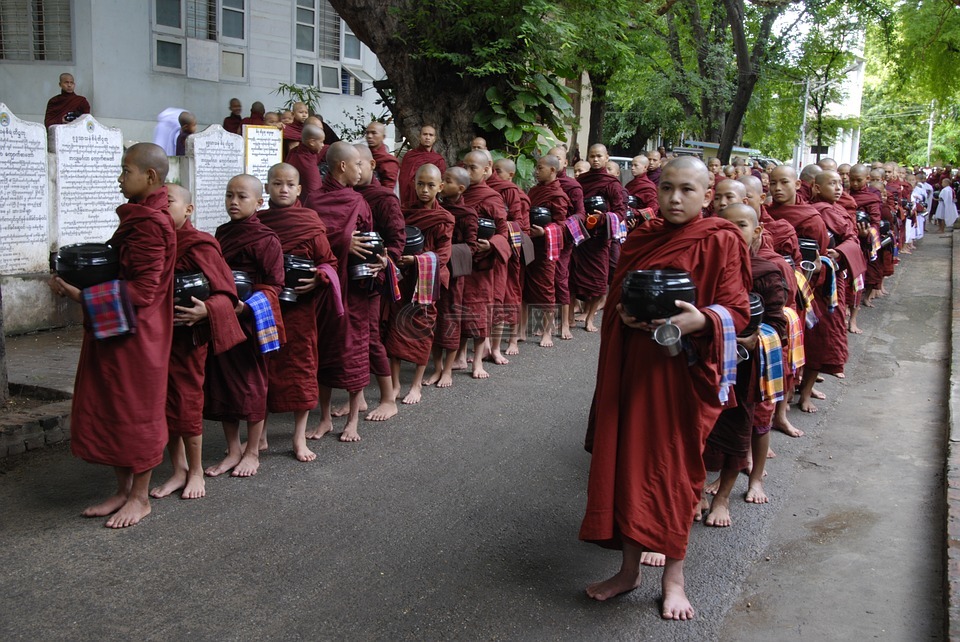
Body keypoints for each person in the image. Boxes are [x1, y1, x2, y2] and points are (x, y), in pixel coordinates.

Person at [580, 156, 750, 619]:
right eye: (668, 188)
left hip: (681, 376)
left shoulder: (721, 240)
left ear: (707, 194)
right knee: (629, 466)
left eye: (687, 190)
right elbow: (617, 299)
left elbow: (735, 311)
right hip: (635, 368)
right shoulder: (642, 237)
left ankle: (674, 580)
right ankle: (629, 571)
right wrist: (624, 317)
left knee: (676, 473)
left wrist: (703, 319)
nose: (675, 198)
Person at [50, 142, 175, 528]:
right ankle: (122, 491)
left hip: (138, 335)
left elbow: (143, 291)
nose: (120, 178)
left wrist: (79, 293)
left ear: (149, 176)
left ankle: (140, 498)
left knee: (136, 411)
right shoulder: (140, 216)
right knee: (113, 408)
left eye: (125, 171)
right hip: (116, 328)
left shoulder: (152, 224)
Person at [151, 185, 244, 500]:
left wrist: (207, 309)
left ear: (188, 210)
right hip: (156, 338)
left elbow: (226, 292)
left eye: (170, 203)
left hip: (189, 339)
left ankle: (195, 471)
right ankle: (177, 470)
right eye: (158, 204)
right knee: (164, 404)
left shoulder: (199, 244)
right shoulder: (150, 242)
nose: (162, 208)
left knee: (187, 404)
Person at [704, 203, 787, 524]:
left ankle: (723, 497)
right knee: (698, 433)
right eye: (725, 226)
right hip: (705, 363)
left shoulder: (765, 273)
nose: (732, 233)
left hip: (744, 367)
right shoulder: (704, 267)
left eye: (741, 225)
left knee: (738, 433)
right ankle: (696, 492)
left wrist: (753, 339)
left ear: (757, 232)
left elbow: (778, 326)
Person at [203, 175, 284, 478]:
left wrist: (244, 306)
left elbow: (275, 284)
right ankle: (233, 449)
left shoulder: (266, 239)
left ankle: (252, 451)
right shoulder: (222, 233)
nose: (233, 202)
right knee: (222, 381)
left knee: (252, 384)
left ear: (259, 202)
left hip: (251, 318)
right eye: (229, 196)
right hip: (223, 314)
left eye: (241, 197)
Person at [258, 163, 337, 461]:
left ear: (300, 189)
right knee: (264, 370)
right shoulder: (258, 222)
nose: (284, 189)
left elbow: (329, 261)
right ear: (267, 188)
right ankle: (261, 435)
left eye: (290, 184)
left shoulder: (309, 223)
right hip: (267, 309)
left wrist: (320, 276)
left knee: (302, 370)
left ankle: (298, 436)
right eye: (277, 184)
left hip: (301, 311)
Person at [305, 142, 380, 442]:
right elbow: (311, 238)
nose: (363, 170)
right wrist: (344, 241)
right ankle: (324, 418)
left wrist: (381, 259)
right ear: (343, 167)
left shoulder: (359, 202)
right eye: (358, 165)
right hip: (326, 287)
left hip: (354, 288)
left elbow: (370, 240)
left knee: (354, 351)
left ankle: (352, 420)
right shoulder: (314, 200)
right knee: (324, 351)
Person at [384, 164, 454, 403]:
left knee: (423, 330)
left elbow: (443, 255)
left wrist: (417, 260)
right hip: (403, 280)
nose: (425, 190)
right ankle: (394, 385)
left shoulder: (444, 218)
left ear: (440, 187)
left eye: (431, 185)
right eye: (421, 184)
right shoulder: (403, 212)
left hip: (426, 280)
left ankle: (415, 385)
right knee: (394, 327)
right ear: (414, 185)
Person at [352, 143, 404, 422]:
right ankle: (357, 398)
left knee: (371, 336)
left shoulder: (384, 198)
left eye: (360, 163)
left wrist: (386, 260)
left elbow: (398, 239)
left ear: (372, 166)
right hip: (346, 276)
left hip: (372, 275)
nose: (354, 168)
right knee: (350, 337)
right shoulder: (344, 196)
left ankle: (387, 398)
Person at [457, 150, 511, 379]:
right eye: (465, 167)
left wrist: (490, 245)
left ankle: (478, 361)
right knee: (459, 309)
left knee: (480, 313)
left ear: (485, 170)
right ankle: (460, 356)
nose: (468, 173)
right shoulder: (458, 194)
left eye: (473, 168)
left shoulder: (491, 197)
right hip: (461, 260)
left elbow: (503, 231)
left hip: (483, 265)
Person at [424, 167, 479, 388]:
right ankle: (436, 367)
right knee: (435, 320)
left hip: (455, 275)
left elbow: (472, 247)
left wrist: (445, 250)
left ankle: (448, 369)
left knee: (452, 320)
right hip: (434, 271)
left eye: (447, 181)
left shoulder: (468, 214)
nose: (442, 184)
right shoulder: (436, 210)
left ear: (461, 188)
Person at [573, 144, 624, 333]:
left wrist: (602, 218)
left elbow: (620, 212)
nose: (595, 159)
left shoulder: (611, 184)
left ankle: (590, 318)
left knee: (599, 280)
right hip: (581, 236)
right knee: (574, 277)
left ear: (606, 158)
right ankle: (571, 316)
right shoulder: (582, 180)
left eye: (599, 156)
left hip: (600, 238)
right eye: (592, 156)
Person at [523, 155, 569, 347]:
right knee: (524, 288)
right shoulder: (534, 190)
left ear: (552, 170)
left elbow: (562, 225)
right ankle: (520, 330)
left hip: (546, 248)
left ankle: (547, 332)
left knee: (546, 291)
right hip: (529, 244)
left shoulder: (558, 195)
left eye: (540, 168)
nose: (536, 171)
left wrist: (544, 231)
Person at [488, 157, 530, 361]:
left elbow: (520, 221)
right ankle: (488, 343)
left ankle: (512, 339)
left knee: (511, 291)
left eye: (498, 171)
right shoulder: (484, 188)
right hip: (491, 246)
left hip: (510, 245)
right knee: (492, 293)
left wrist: (501, 226)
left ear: (510, 174)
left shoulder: (510, 190)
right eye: (493, 170)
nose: (495, 175)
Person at [548, 145, 585, 341]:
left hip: (563, 238)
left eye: (558, 159)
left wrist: (562, 226)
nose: (554, 162)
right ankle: (546, 322)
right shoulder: (541, 186)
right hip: (543, 237)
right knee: (544, 279)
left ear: (565, 163)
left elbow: (581, 213)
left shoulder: (572, 186)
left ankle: (564, 323)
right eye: (550, 158)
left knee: (560, 278)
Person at [399, 124, 447, 207]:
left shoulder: (439, 160)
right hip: (410, 198)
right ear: (419, 137)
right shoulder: (409, 156)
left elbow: (439, 182)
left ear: (434, 138)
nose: (427, 137)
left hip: (430, 200)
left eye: (431, 135)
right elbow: (403, 180)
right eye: (425, 134)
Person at [284, 123, 324, 204]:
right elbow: (314, 190)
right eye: (321, 142)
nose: (322, 145)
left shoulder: (294, 151)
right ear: (312, 142)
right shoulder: (307, 161)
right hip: (306, 204)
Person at [365, 121, 400, 189]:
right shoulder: (363, 155)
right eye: (367, 133)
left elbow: (388, 189)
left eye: (374, 133)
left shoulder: (388, 161)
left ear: (383, 137)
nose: (369, 136)